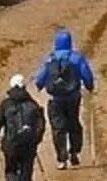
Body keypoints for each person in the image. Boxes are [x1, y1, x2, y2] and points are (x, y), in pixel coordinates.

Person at [34, 29, 95, 169]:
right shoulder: (76, 58)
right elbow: (87, 74)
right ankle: (74, 152)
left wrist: (38, 86)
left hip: (55, 99)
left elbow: (40, 78)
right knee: (73, 123)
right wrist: (89, 86)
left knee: (58, 128)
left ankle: (62, 159)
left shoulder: (50, 59)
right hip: (73, 97)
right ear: (69, 42)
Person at [0, 74, 45, 181]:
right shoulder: (32, 104)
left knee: (11, 171)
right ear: (25, 87)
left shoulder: (6, 104)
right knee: (26, 175)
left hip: (11, 146)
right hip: (28, 146)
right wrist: (36, 140)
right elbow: (40, 125)